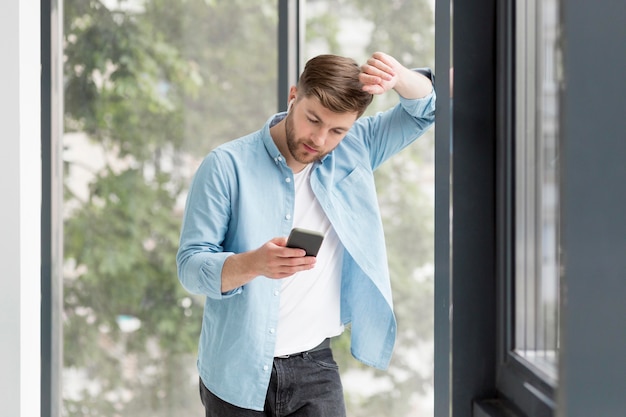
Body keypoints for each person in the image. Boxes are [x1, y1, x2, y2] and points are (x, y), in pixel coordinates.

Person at [176, 51, 436, 416]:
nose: (320, 139)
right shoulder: (226, 166)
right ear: (293, 96)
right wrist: (253, 264)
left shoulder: (356, 149)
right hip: (235, 369)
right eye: (313, 119)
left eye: (337, 130)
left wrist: (399, 77)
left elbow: (425, 110)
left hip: (315, 366)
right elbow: (190, 266)